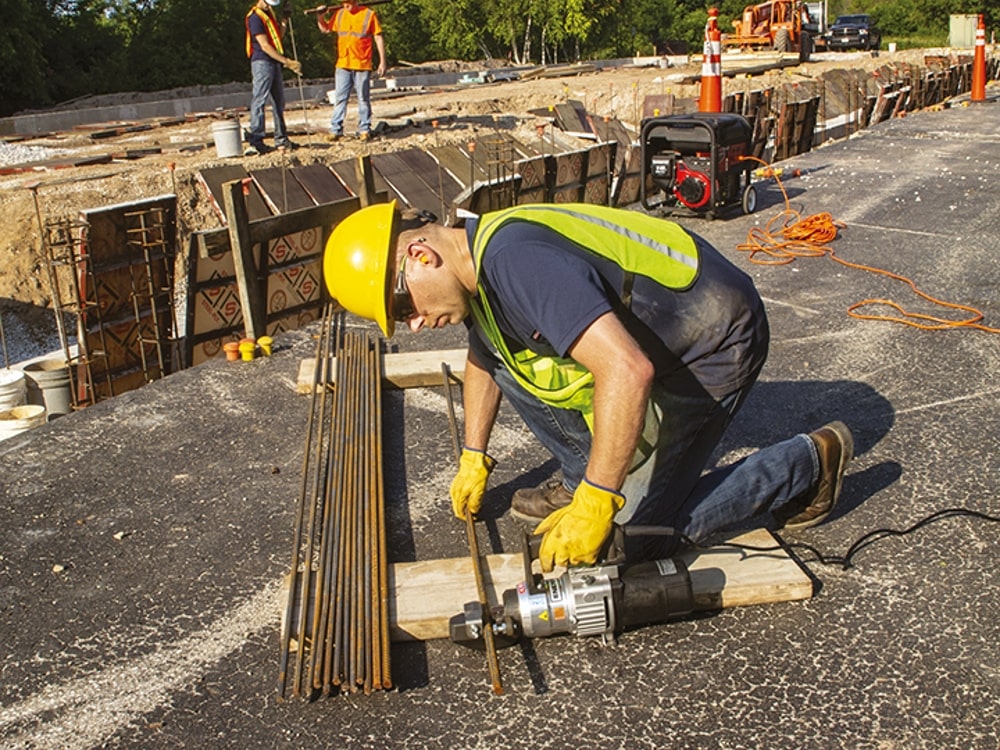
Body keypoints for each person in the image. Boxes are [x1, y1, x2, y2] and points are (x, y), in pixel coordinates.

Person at [322, 201, 854, 571]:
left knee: (630, 538)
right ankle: (585, 480)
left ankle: (806, 463)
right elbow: (487, 357)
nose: (412, 323)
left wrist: (600, 503)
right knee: (513, 363)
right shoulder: (476, 257)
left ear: (419, 255)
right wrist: (473, 455)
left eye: (401, 307)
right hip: (658, 333)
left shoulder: (515, 265)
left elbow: (627, 370)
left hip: (713, 342)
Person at [316, 0, 386, 141]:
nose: (345, 5)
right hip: (343, 63)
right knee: (340, 98)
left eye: (348, 3)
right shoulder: (340, 14)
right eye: (344, 3)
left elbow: (378, 37)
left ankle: (364, 129)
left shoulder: (368, 14)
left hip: (362, 63)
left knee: (363, 98)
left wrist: (382, 61)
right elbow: (326, 29)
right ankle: (336, 130)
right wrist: (320, 18)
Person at [245, 0, 302, 155]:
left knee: (278, 101)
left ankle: (281, 139)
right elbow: (264, 45)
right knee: (260, 99)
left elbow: (277, 37)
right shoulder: (255, 17)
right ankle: (255, 140)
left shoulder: (268, 15)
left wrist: (284, 19)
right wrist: (286, 62)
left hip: (273, 61)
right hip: (262, 62)